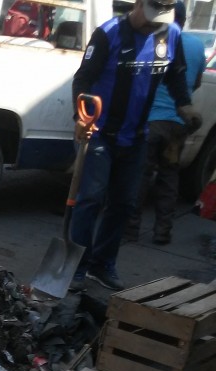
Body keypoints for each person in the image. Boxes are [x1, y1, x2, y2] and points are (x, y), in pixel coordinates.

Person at [68, 0, 201, 292]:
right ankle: (76, 266)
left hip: (137, 135)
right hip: (101, 133)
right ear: (138, 4)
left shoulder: (170, 34)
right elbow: (84, 79)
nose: (156, 23)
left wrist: (185, 106)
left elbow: (176, 75)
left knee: (125, 202)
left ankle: (102, 264)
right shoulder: (109, 33)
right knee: (90, 199)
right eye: (152, 16)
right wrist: (80, 117)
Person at [127, 1, 207, 245]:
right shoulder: (196, 45)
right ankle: (163, 231)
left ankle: (130, 228)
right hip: (178, 124)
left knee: (140, 175)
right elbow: (195, 83)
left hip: (152, 121)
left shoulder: (156, 38)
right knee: (169, 177)